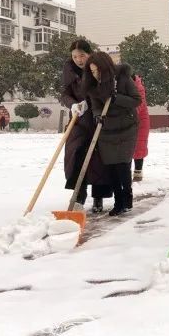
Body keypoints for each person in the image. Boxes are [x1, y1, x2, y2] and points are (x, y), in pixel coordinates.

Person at [84, 52, 141, 216]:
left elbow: (136, 100)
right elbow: (95, 105)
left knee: (123, 165)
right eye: (92, 72)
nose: (95, 75)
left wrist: (116, 98)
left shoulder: (122, 78)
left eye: (98, 71)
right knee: (111, 167)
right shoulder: (93, 85)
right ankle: (118, 201)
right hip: (106, 130)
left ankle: (126, 199)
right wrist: (97, 115)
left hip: (126, 128)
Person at [61, 40, 112, 213]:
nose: (79, 60)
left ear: (89, 54)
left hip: (98, 119)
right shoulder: (69, 70)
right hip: (78, 120)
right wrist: (73, 105)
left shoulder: (98, 66)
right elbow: (65, 94)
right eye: (75, 56)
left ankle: (98, 197)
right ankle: (78, 197)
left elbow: (105, 90)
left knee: (99, 159)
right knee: (76, 155)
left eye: (82, 55)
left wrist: (94, 103)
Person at [131, 73, 150, 181]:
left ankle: (138, 170)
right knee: (126, 146)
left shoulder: (138, 87)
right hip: (127, 119)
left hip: (141, 121)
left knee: (140, 144)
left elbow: (139, 103)